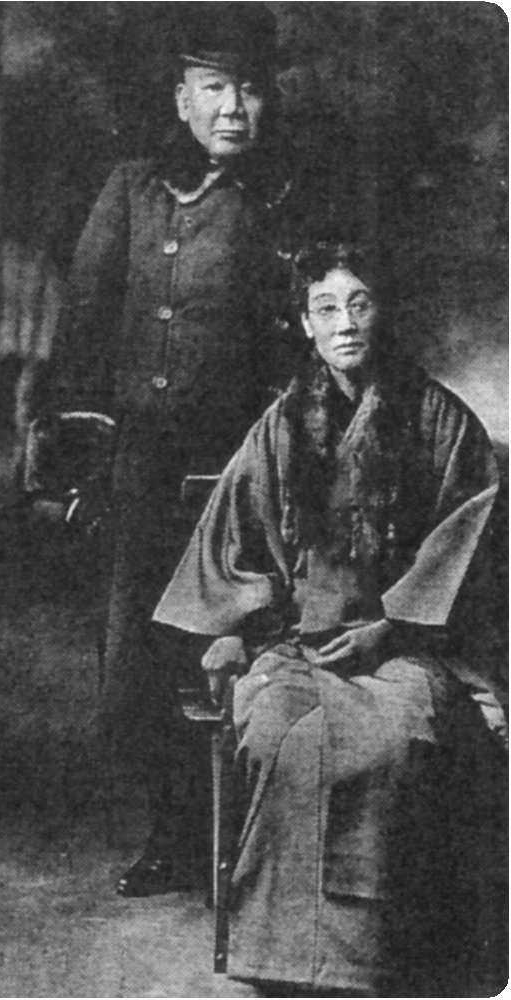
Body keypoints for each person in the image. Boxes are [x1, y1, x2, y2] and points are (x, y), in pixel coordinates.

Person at [45, 3, 357, 898]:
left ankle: (247, 846)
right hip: (142, 467)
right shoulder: (133, 188)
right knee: (140, 662)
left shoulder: (288, 202)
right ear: (181, 97)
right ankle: (175, 835)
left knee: (242, 650)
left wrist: (303, 455)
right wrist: (77, 450)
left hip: (248, 467)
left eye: (249, 89)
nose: (233, 108)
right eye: (214, 87)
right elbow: (85, 322)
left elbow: (318, 344)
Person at [153, 240, 503, 995]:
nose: (345, 322)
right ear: (306, 325)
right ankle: (284, 959)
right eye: (326, 307)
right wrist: (232, 631)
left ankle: (364, 959)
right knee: (277, 733)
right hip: (296, 646)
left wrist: (392, 627)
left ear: (383, 314)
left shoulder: (442, 421)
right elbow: (237, 542)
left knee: (390, 743)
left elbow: (469, 553)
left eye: (359, 303)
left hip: (409, 648)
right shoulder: (281, 425)